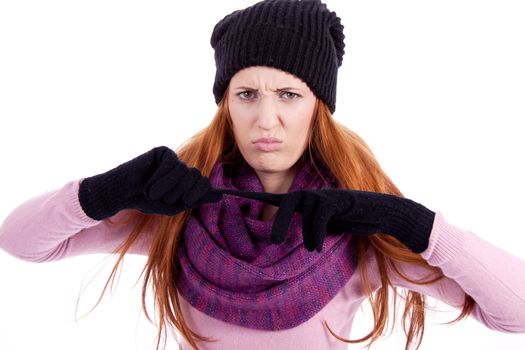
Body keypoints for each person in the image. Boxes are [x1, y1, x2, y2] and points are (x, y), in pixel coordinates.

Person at [1, 0, 525, 349]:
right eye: (246, 94)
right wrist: (104, 190)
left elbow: (515, 313)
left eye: (289, 95)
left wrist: (408, 221)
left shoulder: (353, 240)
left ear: (317, 107)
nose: (265, 119)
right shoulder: (180, 214)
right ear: (225, 103)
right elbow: (20, 242)